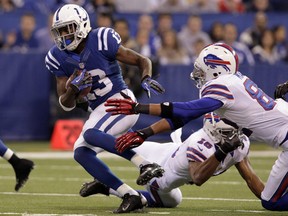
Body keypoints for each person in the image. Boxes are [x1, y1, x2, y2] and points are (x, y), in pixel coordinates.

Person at [104, 42, 288, 211]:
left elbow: (186, 111)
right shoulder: (234, 85)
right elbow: (183, 117)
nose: (198, 73)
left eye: (202, 69)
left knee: (272, 202)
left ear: (216, 70)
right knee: (270, 200)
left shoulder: (221, 87)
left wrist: (138, 107)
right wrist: (145, 133)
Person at [44, 4, 165, 213]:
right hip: (100, 109)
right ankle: (129, 194)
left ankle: (144, 164)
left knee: (91, 134)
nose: (64, 35)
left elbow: (141, 59)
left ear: (81, 25)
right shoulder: (58, 57)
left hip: (121, 101)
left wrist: (145, 78)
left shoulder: (101, 39)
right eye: (60, 31)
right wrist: (73, 90)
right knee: (81, 153)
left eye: (68, 28)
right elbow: (65, 103)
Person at [79, 113, 265, 207]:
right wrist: (223, 150)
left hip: (166, 149)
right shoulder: (199, 143)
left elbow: (250, 178)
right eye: (230, 133)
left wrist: (270, 200)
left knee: (123, 143)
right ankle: (89, 134)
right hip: (161, 174)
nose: (236, 136)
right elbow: (198, 177)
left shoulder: (239, 143)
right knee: (168, 200)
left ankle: (106, 186)